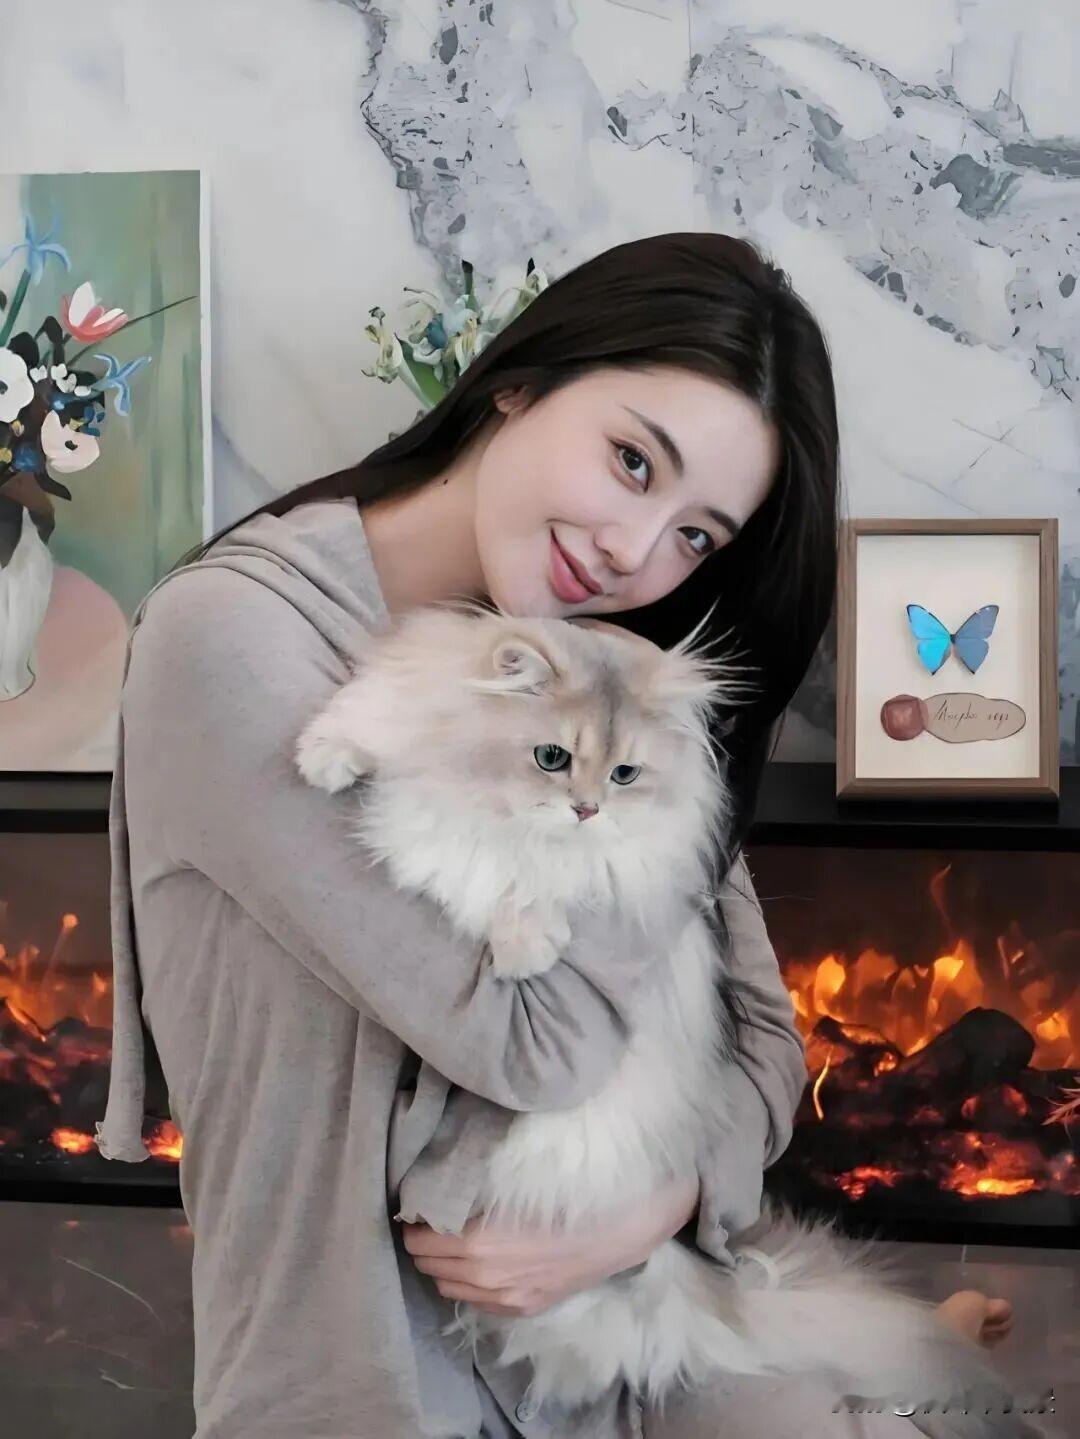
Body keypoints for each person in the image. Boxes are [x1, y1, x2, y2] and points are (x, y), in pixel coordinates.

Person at [95, 232, 1024, 1439]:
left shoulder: (615, 686)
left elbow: (767, 1047)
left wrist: (648, 1207)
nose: (637, 553)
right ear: (518, 382)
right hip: (375, 1379)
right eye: (633, 461)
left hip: (637, 1337)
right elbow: (534, 1046)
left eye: (698, 536)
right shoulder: (233, 642)